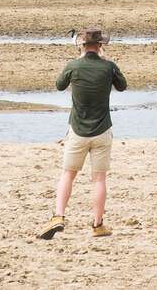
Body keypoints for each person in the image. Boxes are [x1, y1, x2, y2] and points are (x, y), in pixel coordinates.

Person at [38, 28, 127, 240]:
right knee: (99, 179)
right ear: (100, 46)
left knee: (68, 174)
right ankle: (97, 224)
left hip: (77, 130)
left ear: (82, 46)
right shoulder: (108, 67)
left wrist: (78, 62)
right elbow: (122, 86)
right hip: (103, 129)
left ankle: (58, 215)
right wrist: (108, 65)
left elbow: (59, 85)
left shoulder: (74, 66)